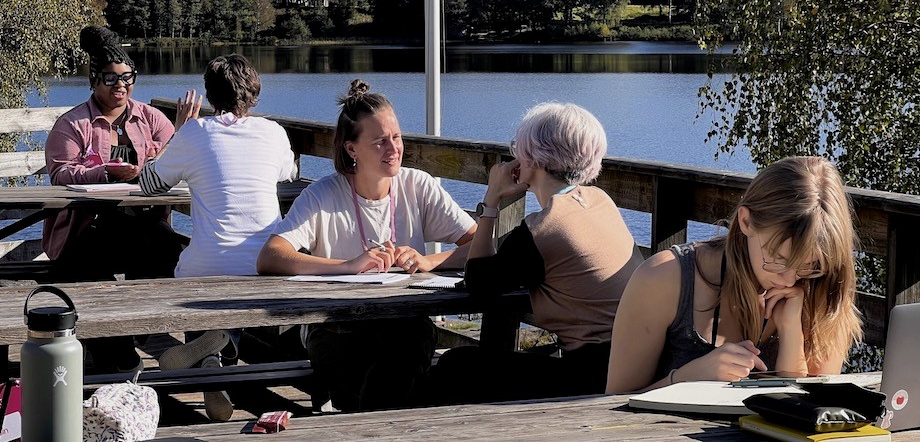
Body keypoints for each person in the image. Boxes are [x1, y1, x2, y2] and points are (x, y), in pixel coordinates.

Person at [257, 79, 477, 412]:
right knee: (379, 374)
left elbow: (480, 243)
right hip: (335, 326)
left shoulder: (418, 186)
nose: (393, 149)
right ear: (352, 149)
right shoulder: (323, 195)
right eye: (379, 142)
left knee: (406, 347)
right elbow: (271, 256)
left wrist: (431, 261)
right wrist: (348, 266)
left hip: (403, 323)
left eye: (396, 137)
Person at [426, 103, 643, 403]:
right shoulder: (599, 200)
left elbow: (479, 284)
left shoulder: (543, 229)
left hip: (591, 378)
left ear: (533, 156)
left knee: (456, 365)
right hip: (636, 363)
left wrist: (492, 199)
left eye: (519, 148)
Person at [605, 156, 863, 394]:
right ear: (746, 221)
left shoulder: (823, 289)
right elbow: (610, 406)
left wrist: (791, 334)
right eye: (778, 259)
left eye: (809, 265)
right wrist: (686, 378)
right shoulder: (664, 279)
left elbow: (814, 410)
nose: (789, 280)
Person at [138, 53, 298, 420]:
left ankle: (211, 357)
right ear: (253, 94)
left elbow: (150, 185)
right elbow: (289, 172)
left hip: (205, 267)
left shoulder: (195, 132)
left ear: (210, 96)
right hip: (268, 263)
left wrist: (177, 134)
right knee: (237, 279)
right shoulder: (273, 132)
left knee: (195, 268)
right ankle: (218, 355)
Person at [44, 25, 191, 373]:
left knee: (179, 255)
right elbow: (60, 173)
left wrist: (182, 133)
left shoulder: (151, 118)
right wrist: (105, 173)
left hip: (144, 224)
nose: (120, 85)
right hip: (88, 228)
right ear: (94, 80)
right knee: (82, 274)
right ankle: (121, 358)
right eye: (111, 78)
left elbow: (177, 160)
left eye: (127, 78)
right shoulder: (73, 124)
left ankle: (165, 341)